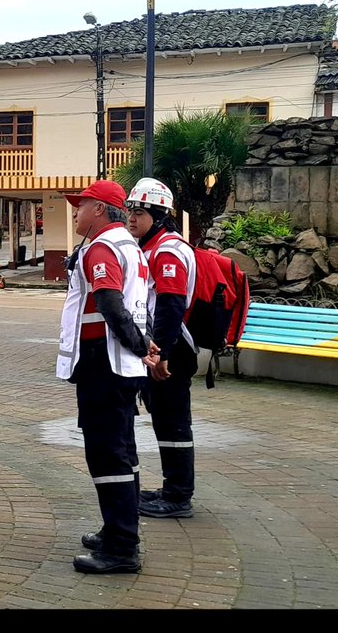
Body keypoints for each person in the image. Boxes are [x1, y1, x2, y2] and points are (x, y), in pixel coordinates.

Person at [55, 180, 155, 575]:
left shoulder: (102, 247)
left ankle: (121, 547)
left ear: (99, 209)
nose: (75, 212)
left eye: (80, 206)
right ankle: (117, 531)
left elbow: (111, 304)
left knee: (106, 452)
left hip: (105, 363)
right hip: (120, 365)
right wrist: (143, 347)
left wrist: (140, 346)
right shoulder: (129, 245)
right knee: (122, 451)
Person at [125, 178, 198, 520]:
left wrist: (162, 354)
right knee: (165, 421)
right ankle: (173, 489)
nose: (132, 218)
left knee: (173, 422)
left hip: (171, 346)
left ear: (159, 214)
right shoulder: (152, 247)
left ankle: (179, 496)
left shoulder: (167, 250)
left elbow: (170, 303)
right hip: (162, 344)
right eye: (130, 211)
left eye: (139, 212)